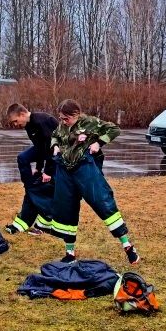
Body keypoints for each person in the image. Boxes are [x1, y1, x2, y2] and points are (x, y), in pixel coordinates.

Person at [49, 99, 140, 265]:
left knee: (102, 202)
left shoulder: (90, 122)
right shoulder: (62, 125)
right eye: (61, 118)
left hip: (85, 169)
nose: (63, 121)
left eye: (66, 118)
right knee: (66, 209)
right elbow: (55, 135)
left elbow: (114, 129)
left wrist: (98, 143)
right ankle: (70, 253)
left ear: (76, 114)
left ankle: (128, 246)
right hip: (64, 170)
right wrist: (55, 146)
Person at [4, 103, 59, 235]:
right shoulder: (29, 126)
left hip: (59, 155)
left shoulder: (41, 121)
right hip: (47, 152)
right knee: (22, 158)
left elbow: (52, 148)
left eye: (15, 121)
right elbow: (40, 148)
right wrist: (38, 169)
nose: (16, 125)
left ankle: (43, 221)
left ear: (22, 114)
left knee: (43, 189)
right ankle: (30, 186)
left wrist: (47, 172)